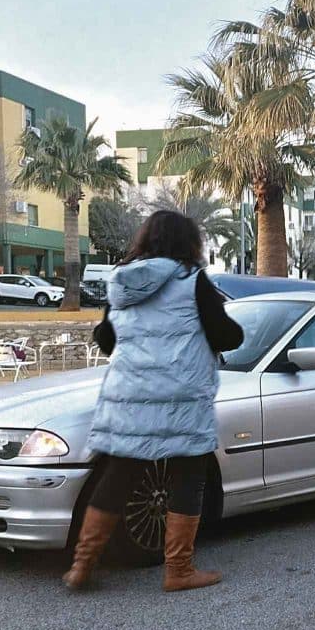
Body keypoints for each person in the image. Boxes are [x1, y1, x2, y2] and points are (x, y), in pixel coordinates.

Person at [62, 210, 243, 593]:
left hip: (128, 396)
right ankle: (178, 570)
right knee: (189, 475)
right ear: (189, 242)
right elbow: (227, 336)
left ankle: (83, 564)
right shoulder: (193, 282)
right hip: (179, 397)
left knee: (118, 473)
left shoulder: (121, 283)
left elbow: (107, 340)